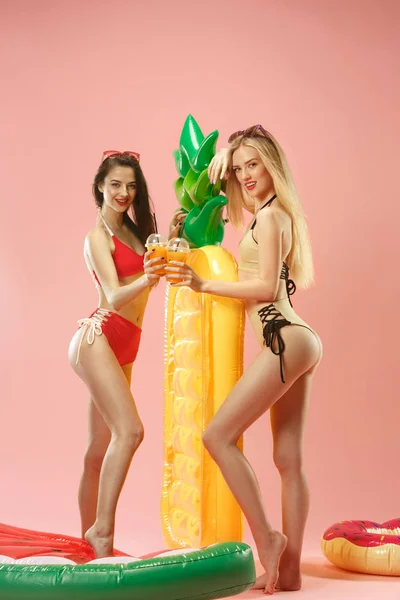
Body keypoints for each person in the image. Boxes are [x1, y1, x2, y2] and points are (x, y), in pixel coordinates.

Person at [166, 126, 323, 594]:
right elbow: (218, 195)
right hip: (296, 338)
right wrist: (221, 168)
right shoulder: (263, 215)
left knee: (217, 435)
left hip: (284, 337)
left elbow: (265, 290)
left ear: (273, 165)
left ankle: (268, 539)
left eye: (254, 164)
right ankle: (290, 570)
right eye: (239, 169)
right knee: (288, 459)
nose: (246, 175)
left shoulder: (273, 219)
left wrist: (202, 284)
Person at [68, 150, 163, 558]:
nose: (123, 192)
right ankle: (102, 532)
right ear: (100, 188)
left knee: (98, 449)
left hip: (127, 343)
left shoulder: (137, 234)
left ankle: (87, 542)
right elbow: (115, 295)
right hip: (98, 337)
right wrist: (149, 274)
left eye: (131, 185)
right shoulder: (97, 237)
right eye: (115, 185)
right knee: (131, 431)